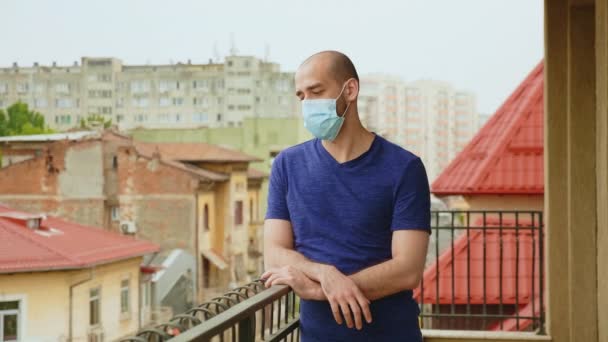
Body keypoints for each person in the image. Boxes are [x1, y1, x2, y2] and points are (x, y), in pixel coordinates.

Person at [261, 50, 431, 342]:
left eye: (316, 91)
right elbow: (274, 254)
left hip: (391, 334)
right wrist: (325, 274)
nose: (307, 104)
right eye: (301, 96)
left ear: (349, 90)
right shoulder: (287, 166)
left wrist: (317, 291)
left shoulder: (405, 168)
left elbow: (408, 270)